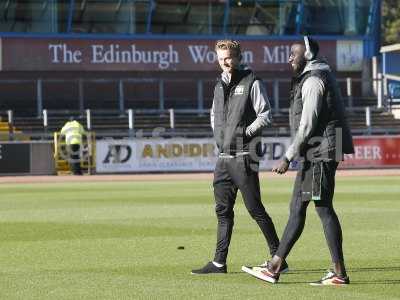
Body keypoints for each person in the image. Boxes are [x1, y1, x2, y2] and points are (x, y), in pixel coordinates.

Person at [243, 36, 354, 285]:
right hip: (318, 149)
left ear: (309, 55)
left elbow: (307, 125)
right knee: (298, 208)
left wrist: (287, 157)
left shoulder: (314, 79)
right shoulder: (313, 76)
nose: (290, 57)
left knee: (323, 208)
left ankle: (337, 273)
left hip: (320, 150)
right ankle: (275, 265)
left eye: (295, 53)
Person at [191, 40, 287, 274]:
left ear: (239, 57)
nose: (225, 61)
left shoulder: (251, 81)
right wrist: (219, 137)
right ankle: (219, 262)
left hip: (245, 155)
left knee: (255, 209)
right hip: (223, 158)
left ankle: (279, 260)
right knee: (223, 211)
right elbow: (214, 115)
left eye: (230, 57)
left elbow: (265, 115)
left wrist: (244, 133)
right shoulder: (218, 85)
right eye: (221, 57)